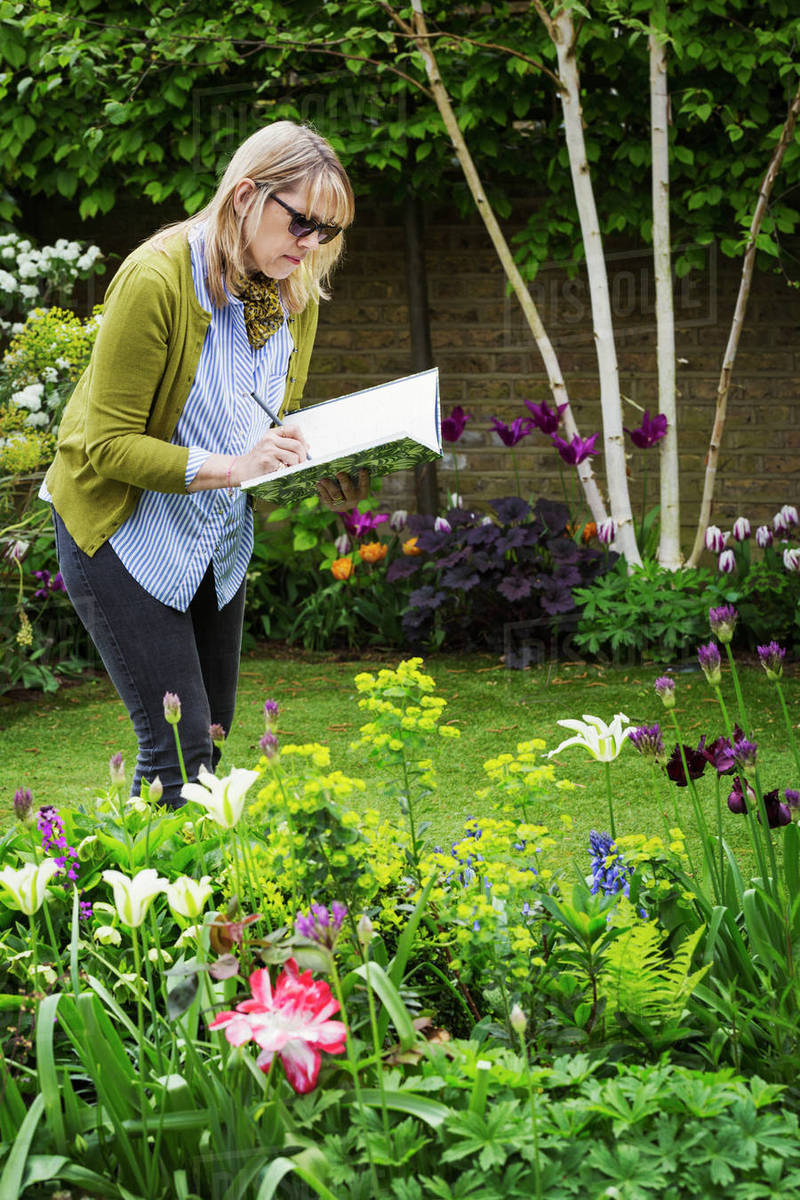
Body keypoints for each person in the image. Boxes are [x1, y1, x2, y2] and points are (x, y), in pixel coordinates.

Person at [42, 121, 367, 807]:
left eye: (327, 232)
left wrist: (312, 461)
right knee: (178, 749)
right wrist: (235, 467)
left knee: (209, 735)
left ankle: (189, 904)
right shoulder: (156, 279)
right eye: (301, 222)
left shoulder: (293, 291)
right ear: (247, 193)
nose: (310, 245)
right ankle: (133, 910)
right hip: (122, 530)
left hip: (211, 537)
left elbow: (265, 420)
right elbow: (107, 445)